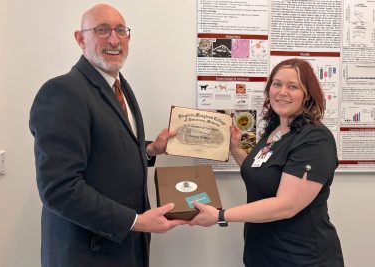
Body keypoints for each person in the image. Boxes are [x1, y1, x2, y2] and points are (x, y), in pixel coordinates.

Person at [29, 4, 185, 267]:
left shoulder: (119, 85)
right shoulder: (63, 92)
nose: (114, 39)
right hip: (87, 253)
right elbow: (59, 189)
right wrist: (135, 221)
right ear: (81, 39)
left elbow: (104, 151)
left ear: (128, 37)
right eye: (102, 30)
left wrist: (148, 150)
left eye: (120, 30)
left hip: (124, 248)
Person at [190, 58, 344, 266]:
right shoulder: (275, 131)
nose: (282, 92)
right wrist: (235, 149)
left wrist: (221, 215)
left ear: (307, 95)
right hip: (262, 253)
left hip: (301, 257)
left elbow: (286, 205)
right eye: (277, 84)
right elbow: (262, 173)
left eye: (293, 86)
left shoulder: (315, 138)